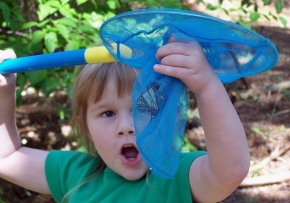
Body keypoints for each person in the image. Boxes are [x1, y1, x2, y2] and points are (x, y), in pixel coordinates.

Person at [0, 40, 250, 203]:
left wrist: (206, 86)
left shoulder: (176, 178)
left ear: (170, 116)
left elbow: (230, 170)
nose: (127, 126)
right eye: (108, 113)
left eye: (144, 108)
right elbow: (6, 158)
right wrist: (4, 92)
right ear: (84, 124)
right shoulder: (76, 174)